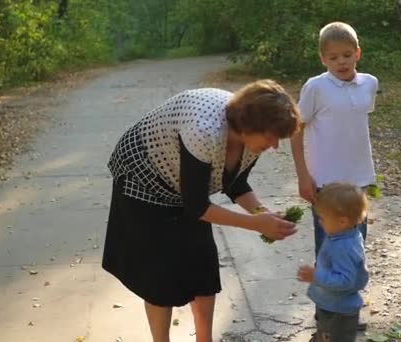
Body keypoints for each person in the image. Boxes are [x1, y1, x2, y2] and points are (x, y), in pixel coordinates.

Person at [102, 79, 301, 342]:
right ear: (249, 124)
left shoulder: (253, 140)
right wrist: (256, 224)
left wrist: (262, 214)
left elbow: (236, 183)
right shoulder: (204, 130)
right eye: (272, 137)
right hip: (143, 176)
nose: (275, 145)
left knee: (203, 269)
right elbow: (197, 206)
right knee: (160, 278)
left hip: (185, 186)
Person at [290, 21, 378, 329]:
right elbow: (296, 129)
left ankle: (347, 314)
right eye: (333, 57)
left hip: (359, 184)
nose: (341, 62)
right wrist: (303, 175)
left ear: (357, 53)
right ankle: (327, 317)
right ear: (323, 59)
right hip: (325, 185)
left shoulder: (369, 83)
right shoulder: (316, 87)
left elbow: (355, 124)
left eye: (346, 55)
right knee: (328, 252)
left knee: (354, 251)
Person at [297, 182, 370, 342]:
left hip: (338, 311)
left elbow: (345, 281)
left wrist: (316, 275)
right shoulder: (345, 235)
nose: (320, 222)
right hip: (331, 304)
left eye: (322, 218)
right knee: (324, 332)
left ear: (342, 221)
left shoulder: (344, 247)